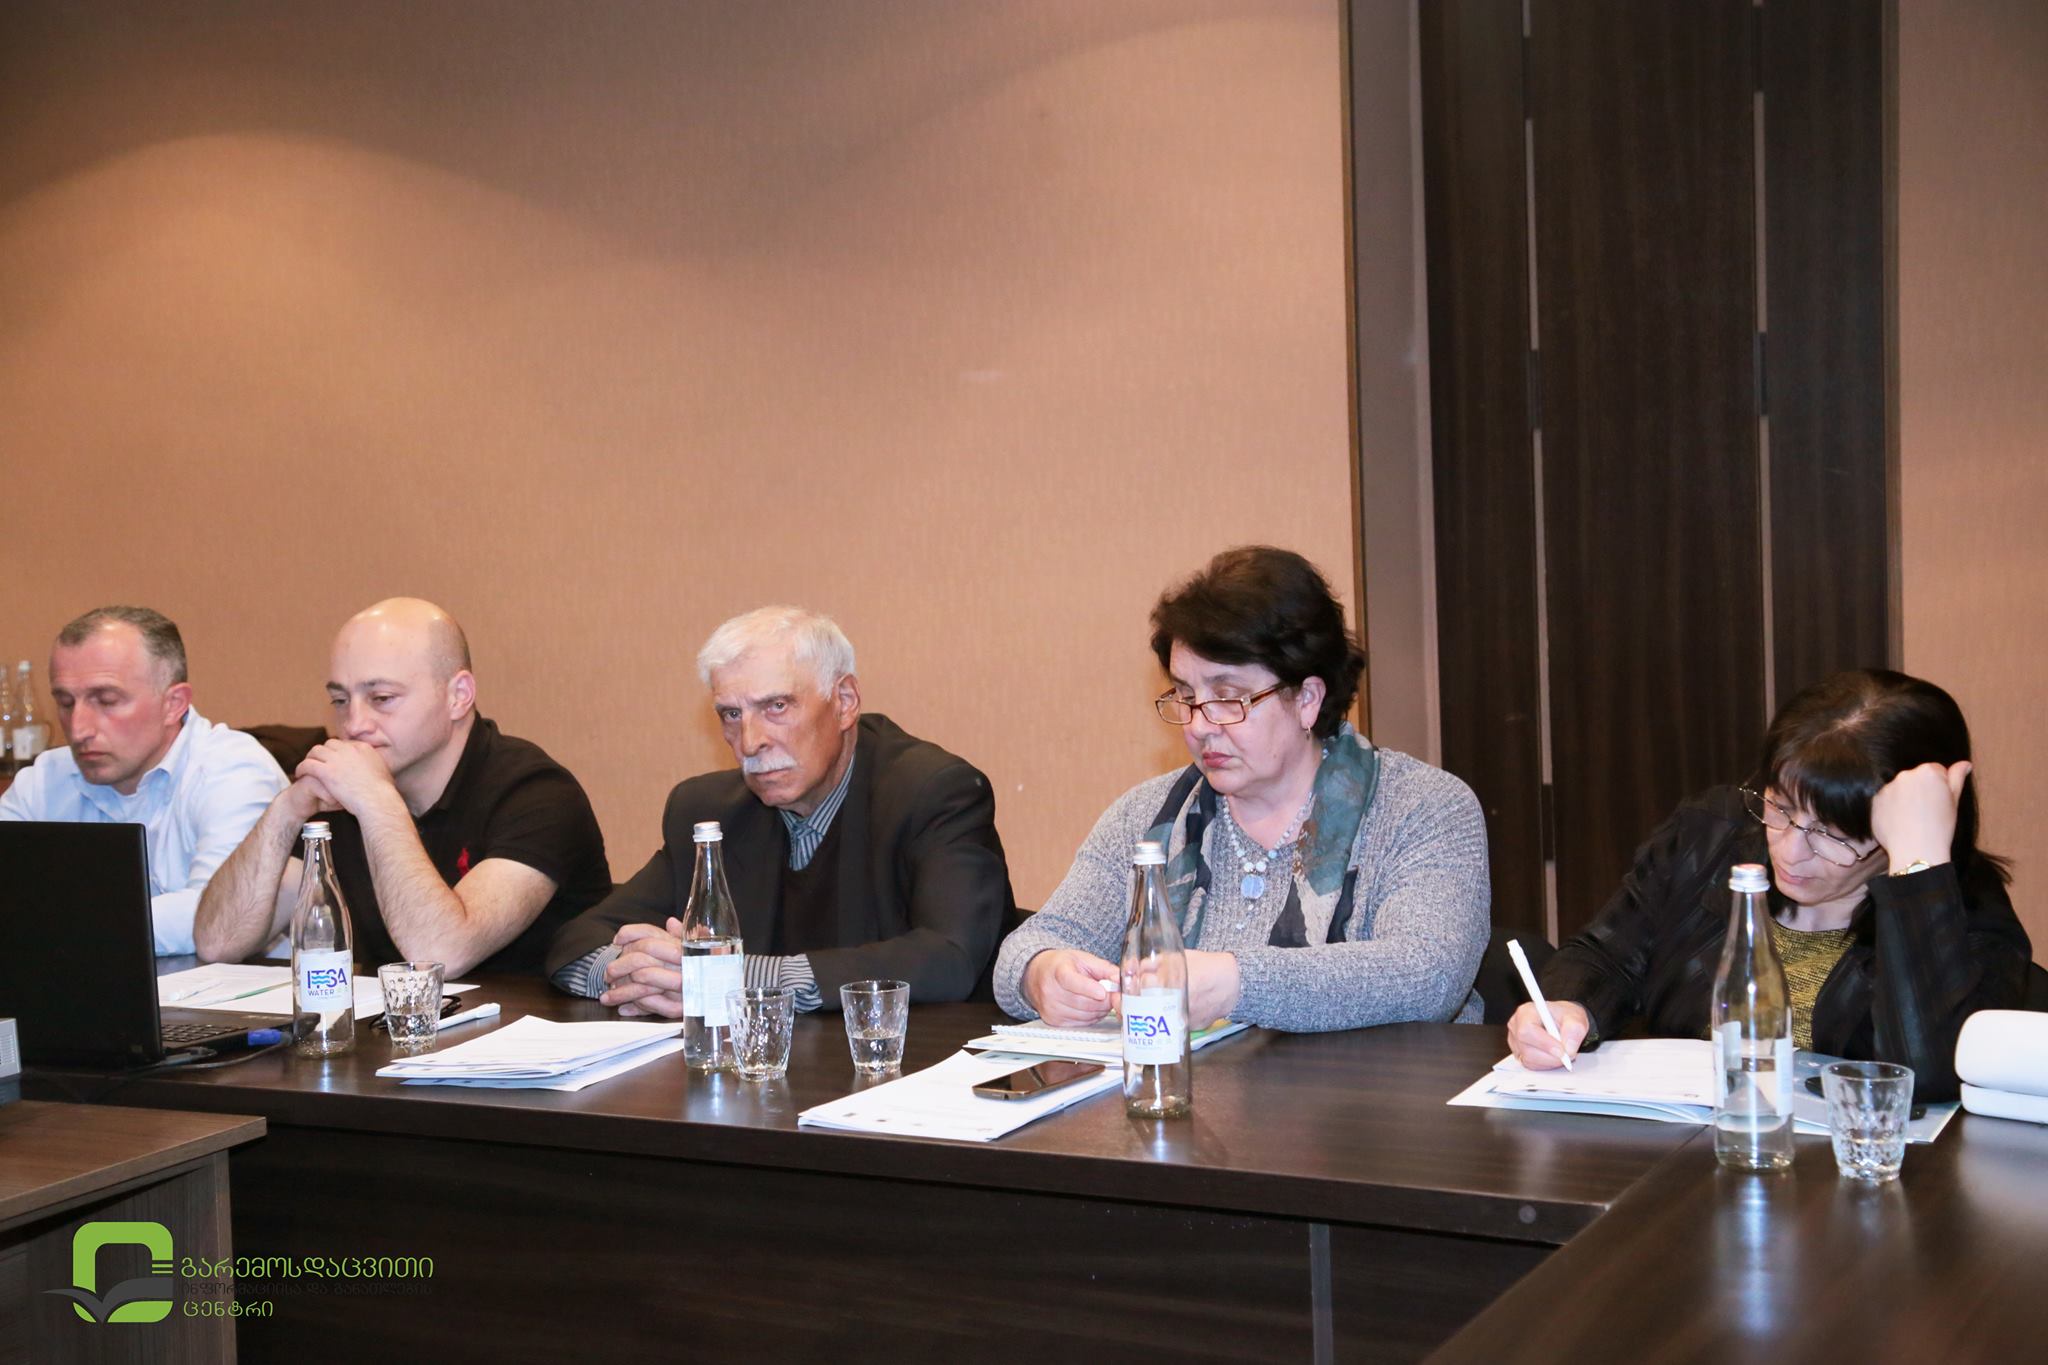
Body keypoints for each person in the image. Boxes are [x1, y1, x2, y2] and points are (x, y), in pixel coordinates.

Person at [994, 546, 1491, 1032]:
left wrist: (1237, 983)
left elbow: (1430, 973)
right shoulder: (1147, 817)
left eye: (1228, 698)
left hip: (1378, 1087)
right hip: (1193, 1086)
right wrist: (1043, 973)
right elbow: (1031, 945)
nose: (1199, 726)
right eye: (1186, 695)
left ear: (1307, 699)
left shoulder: (1423, 807)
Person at [1506, 669, 2032, 1102]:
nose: (1790, 849)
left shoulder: (1964, 911)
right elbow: (1605, 956)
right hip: (1685, 1155)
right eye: (1780, 807)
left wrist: (1918, 871)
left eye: (1832, 834)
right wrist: (1568, 1008)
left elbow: (1929, 1076)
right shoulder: (1709, 835)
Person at [545, 605, 1016, 1013]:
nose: (751, 741)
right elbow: (576, 940)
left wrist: (729, 978)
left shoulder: (932, 792)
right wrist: (641, 974)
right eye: (732, 714)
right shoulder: (709, 811)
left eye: (776, 706)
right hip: (759, 1074)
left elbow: (950, 957)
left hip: (906, 1070)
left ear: (844, 702)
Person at [193, 598, 611, 977]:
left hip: (530, 1033)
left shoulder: (537, 794)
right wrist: (287, 810)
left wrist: (377, 801)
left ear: (458, 696)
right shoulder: (341, 797)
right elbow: (218, 942)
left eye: (382, 698)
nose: (354, 724)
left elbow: (441, 954)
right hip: (391, 1033)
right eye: (340, 700)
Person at [0, 606, 286, 955]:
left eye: (106, 701)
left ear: (174, 704)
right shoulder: (47, 779)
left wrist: (59, 921)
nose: (78, 728)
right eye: (65, 703)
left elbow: (212, 917)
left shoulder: (234, 770)